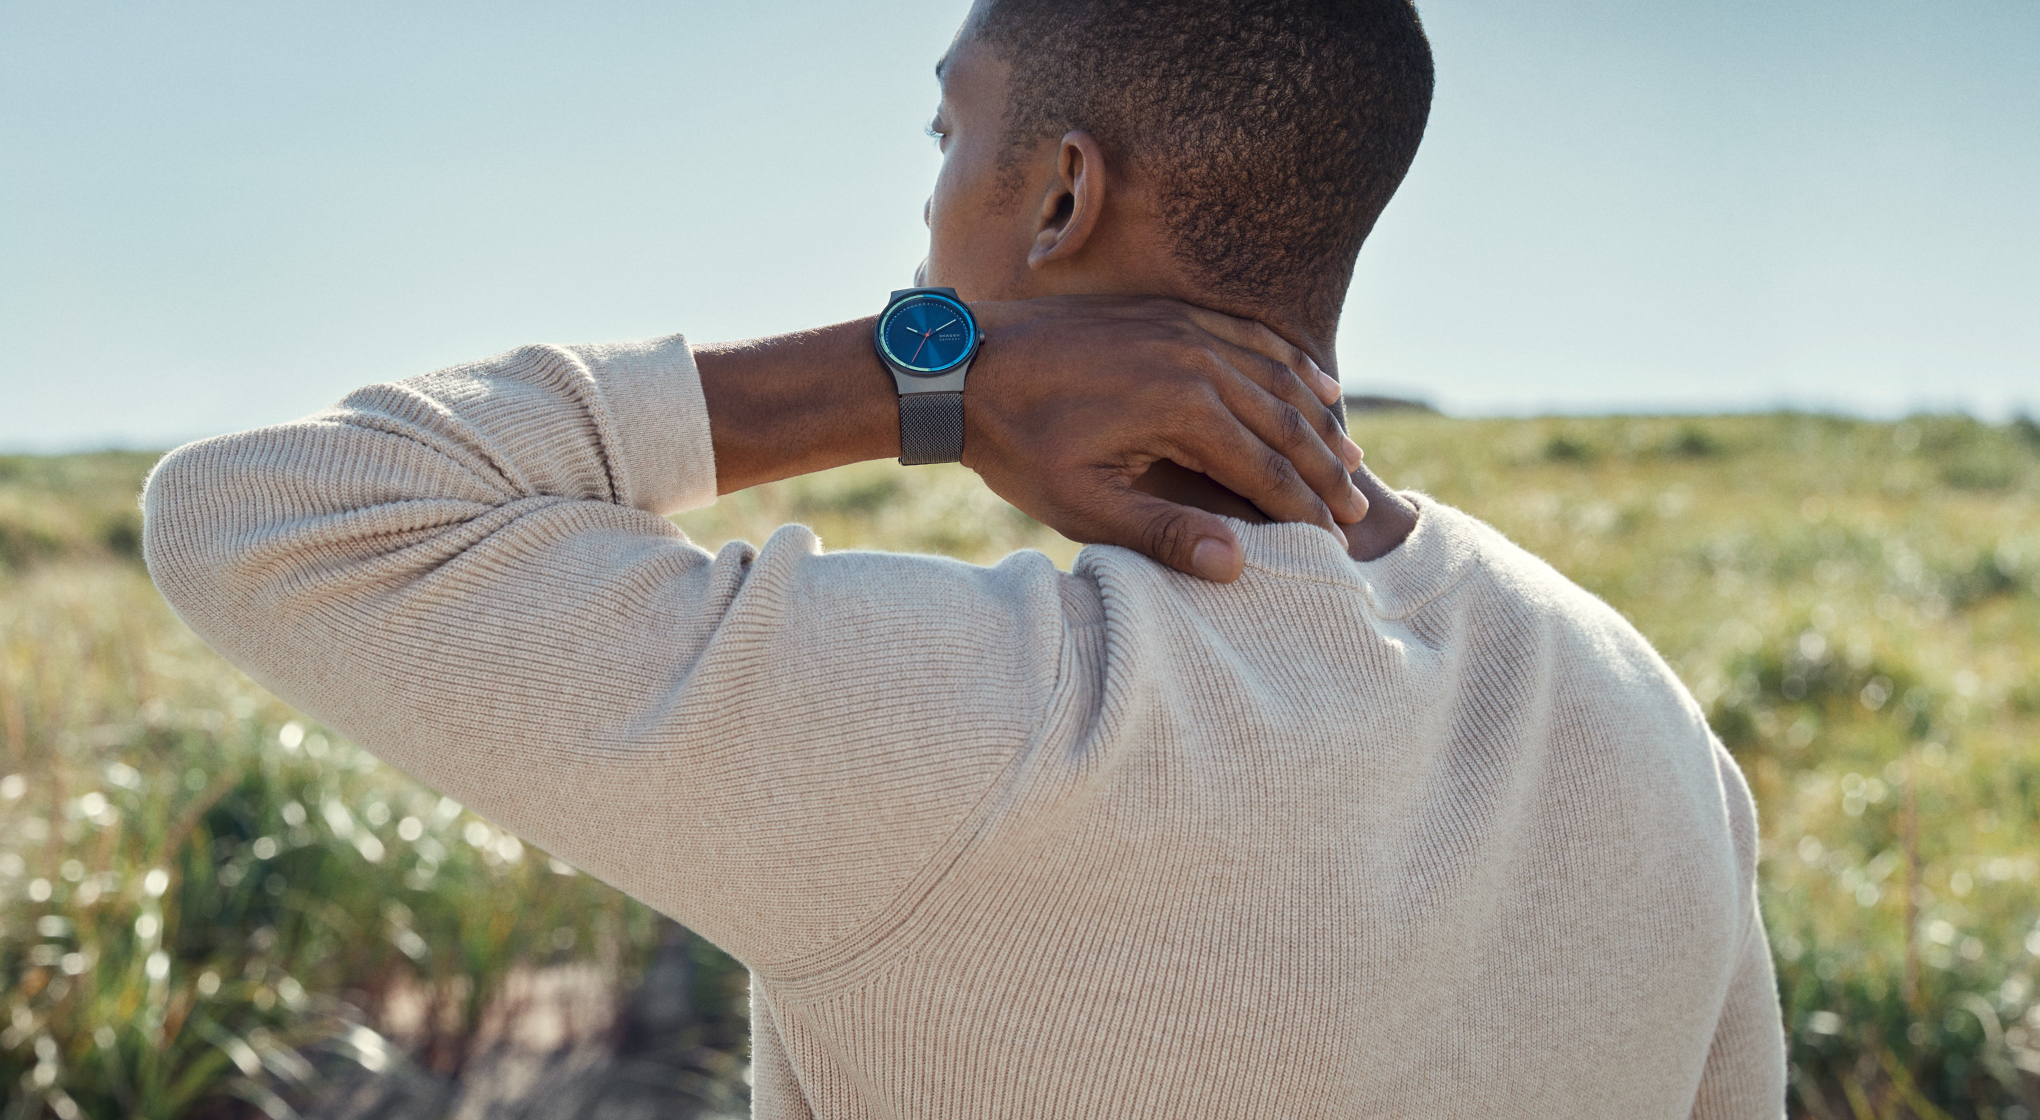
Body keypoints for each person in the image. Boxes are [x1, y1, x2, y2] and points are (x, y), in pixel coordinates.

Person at [142, 0, 1787, 1116]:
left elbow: (265, 512)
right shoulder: (1648, 720)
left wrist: (920, 369)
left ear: (1059, 194)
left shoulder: (980, 721)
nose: (923, 216)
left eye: (947, 138)